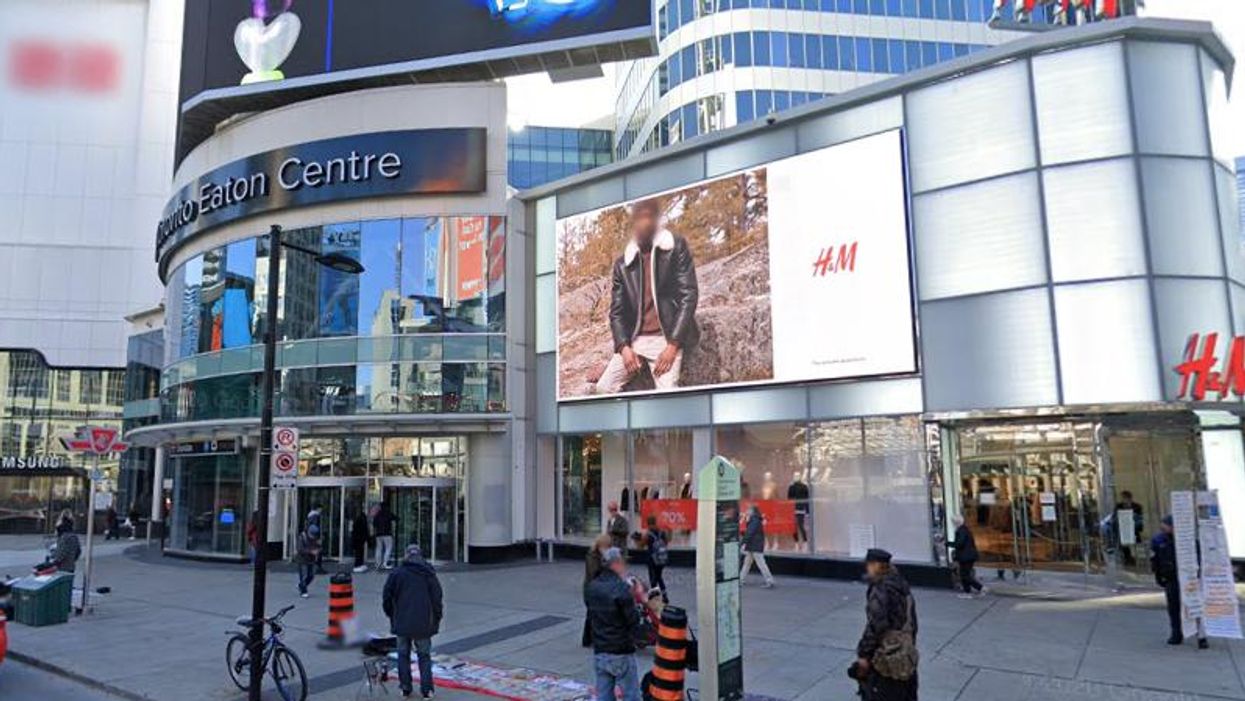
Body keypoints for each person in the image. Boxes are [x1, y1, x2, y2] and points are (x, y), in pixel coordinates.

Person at [594, 198, 700, 395]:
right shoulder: (623, 264)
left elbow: (689, 296)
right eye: (639, 218)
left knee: (667, 397)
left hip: (666, 338)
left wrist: (673, 345)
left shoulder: (674, 248)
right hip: (635, 340)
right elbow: (616, 313)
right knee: (603, 388)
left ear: (657, 220)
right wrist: (624, 348)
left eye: (649, 217)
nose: (644, 223)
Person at [855, 549, 918, 701]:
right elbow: (912, 621)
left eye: (869, 565)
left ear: (877, 565)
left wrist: (864, 652)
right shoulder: (901, 584)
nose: (867, 568)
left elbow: (876, 625)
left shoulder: (880, 588)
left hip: (886, 656)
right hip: (905, 654)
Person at [383, 545, 444, 700]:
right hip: (423, 623)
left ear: (406, 555)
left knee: (403, 655)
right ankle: (427, 690)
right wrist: (436, 618)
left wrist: (392, 615)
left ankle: (405, 688)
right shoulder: (428, 573)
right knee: (424, 656)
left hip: (402, 622)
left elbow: (386, 597)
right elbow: (437, 599)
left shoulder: (397, 573)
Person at [585, 547, 642, 701]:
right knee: (631, 695)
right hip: (620, 650)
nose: (625, 566)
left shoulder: (592, 586)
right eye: (623, 562)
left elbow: (591, 615)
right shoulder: (622, 588)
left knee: (604, 694)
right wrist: (637, 595)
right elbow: (633, 620)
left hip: (601, 648)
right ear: (616, 564)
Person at [1151, 515, 1185, 646]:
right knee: (1173, 607)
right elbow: (1154, 559)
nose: (1164, 527)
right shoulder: (1158, 540)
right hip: (1170, 577)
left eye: (1167, 525)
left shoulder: (1185, 538)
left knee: (1193, 607)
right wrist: (1158, 576)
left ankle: (1200, 634)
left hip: (1186, 576)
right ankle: (1176, 633)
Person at [582, 533, 613, 648]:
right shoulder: (592, 556)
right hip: (592, 590)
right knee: (592, 613)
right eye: (607, 547)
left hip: (597, 589)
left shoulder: (599, 556)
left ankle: (589, 639)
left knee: (593, 614)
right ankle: (589, 639)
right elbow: (593, 573)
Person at [740, 504, 775, 588]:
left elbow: (749, 532)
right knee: (747, 563)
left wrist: (742, 542)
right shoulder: (754, 519)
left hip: (754, 545)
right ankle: (741, 579)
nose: (746, 511)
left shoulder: (754, 520)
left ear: (752, 511)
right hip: (753, 545)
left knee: (760, 563)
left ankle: (769, 580)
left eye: (748, 510)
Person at [950, 516, 984, 598]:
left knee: (965, 575)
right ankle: (967, 591)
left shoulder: (961, 531)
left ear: (956, 523)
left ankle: (979, 587)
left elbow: (960, 543)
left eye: (953, 522)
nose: (952, 524)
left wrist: (950, 544)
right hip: (968, 556)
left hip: (966, 557)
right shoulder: (965, 530)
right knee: (964, 574)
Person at [641, 516, 669, 603]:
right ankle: (664, 596)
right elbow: (666, 543)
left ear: (648, 524)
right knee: (659, 577)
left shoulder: (648, 534)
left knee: (653, 579)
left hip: (652, 559)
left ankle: (655, 598)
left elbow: (641, 545)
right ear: (655, 522)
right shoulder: (662, 532)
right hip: (661, 559)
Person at [1117, 490, 1144, 566]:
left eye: (1125, 498)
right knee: (1122, 542)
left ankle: (1136, 557)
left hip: (1134, 528)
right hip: (1123, 528)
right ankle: (1128, 558)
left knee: (1136, 541)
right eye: (1122, 498)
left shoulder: (1137, 506)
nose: (1123, 500)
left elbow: (1139, 517)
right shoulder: (1119, 506)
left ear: (1129, 498)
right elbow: (1116, 516)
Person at [295, 524, 321, 598]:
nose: (313, 537)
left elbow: (318, 547)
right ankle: (304, 591)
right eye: (312, 535)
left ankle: (301, 586)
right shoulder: (302, 537)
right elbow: (300, 549)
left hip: (311, 559)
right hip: (302, 560)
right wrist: (311, 551)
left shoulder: (315, 538)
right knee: (303, 576)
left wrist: (317, 550)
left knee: (311, 575)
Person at [373, 502, 397, 570]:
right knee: (388, 548)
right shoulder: (388, 513)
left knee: (378, 548)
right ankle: (385, 563)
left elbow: (374, 524)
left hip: (378, 534)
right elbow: (396, 518)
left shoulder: (377, 514)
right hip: (387, 533)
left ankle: (378, 564)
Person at [351, 509, 372, 573]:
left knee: (359, 552)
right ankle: (358, 565)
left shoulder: (356, 522)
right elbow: (365, 532)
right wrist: (368, 540)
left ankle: (359, 564)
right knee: (359, 553)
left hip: (357, 539)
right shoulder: (362, 523)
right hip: (360, 540)